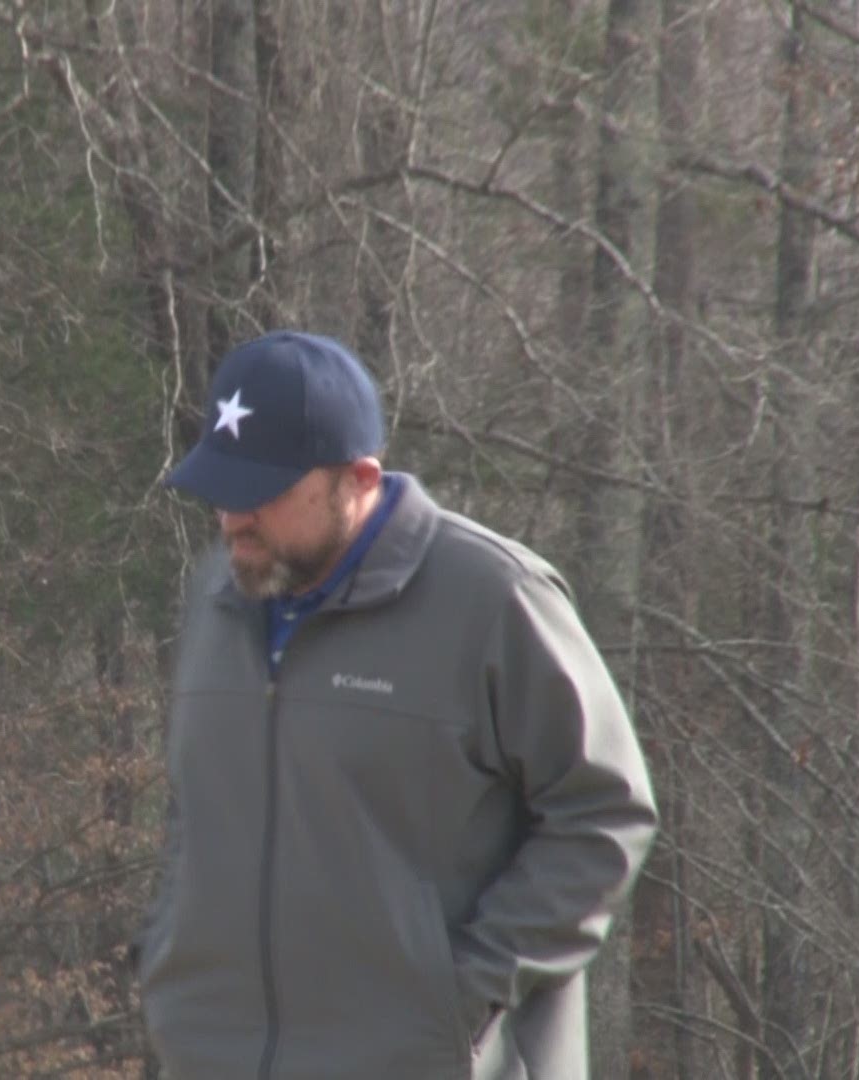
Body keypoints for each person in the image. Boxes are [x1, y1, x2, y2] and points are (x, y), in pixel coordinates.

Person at [136, 330, 658, 1079]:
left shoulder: (493, 598)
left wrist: (463, 993)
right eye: (221, 489)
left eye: (264, 494)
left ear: (359, 478)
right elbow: (197, 808)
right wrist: (169, 966)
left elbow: (604, 814)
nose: (233, 520)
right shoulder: (218, 596)